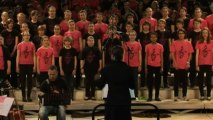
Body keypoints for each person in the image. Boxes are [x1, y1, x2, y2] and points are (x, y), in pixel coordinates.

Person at [96, 45, 134, 120]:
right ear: (122, 55)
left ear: (112, 56)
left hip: (112, 100)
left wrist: (96, 79)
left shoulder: (107, 69)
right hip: (125, 100)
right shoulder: (128, 68)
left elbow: (100, 85)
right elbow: (132, 86)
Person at [170, 29, 194, 101]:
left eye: (182, 33)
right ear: (178, 35)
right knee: (176, 81)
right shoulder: (174, 42)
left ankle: (184, 96)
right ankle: (176, 96)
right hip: (177, 64)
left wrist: (188, 62)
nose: (181, 35)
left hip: (185, 65)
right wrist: (174, 62)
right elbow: (172, 54)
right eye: (179, 33)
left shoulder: (188, 43)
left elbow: (190, 54)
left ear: (184, 34)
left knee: (185, 82)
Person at [16, 31, 36, 102]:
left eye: (28, 35)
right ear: (23, 36)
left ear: (29, 36)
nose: (27, 36)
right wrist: (17, 66)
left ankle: (28, 96)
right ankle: (24, 96)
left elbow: (34, 55)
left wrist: (34, 65)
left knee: (30, 81)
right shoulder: (19, 45)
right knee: (23, 81)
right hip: (22, 65)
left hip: (30, 65)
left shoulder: (32, 44)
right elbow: (18, 56)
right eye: (25, 35)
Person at [80, 36, 102, 100]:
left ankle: (93, 95)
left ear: (94, 42)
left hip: (95, 68)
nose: (91, 42)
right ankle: (87, 95)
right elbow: (82, 59)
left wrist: (100, 66)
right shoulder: (84, 49)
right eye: (89, 41)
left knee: (93, 82)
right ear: (87, 42)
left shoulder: (97, 49)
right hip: (86, 68)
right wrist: (81, 68)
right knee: (87, 82)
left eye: (92, 40)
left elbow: (100, 59)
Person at [145, 32, 164, 101]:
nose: (153, 38)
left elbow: (161, 57)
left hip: (158, 65)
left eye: (154, 37)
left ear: (157, 38)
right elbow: (146, 57)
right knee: (150, 82)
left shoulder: (160, 46)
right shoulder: (147, 46)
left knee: (157, 82)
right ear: (150, 38)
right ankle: (150, 96)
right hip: (150, 65)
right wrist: (145, 67)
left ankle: (157, 96)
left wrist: (162, 67)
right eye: (152, 37)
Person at [195, 28, 213, 101]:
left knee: (209, 80)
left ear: (208, 34)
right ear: (201, 34)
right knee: (200, 80)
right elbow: (197, 54)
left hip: (209, 63)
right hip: (201, 63)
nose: (205, 34)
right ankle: (202, 94)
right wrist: (196, 65)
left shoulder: (212, 42)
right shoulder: (198, 42)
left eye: (206, 33)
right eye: (203, 33)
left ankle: (208, 94)